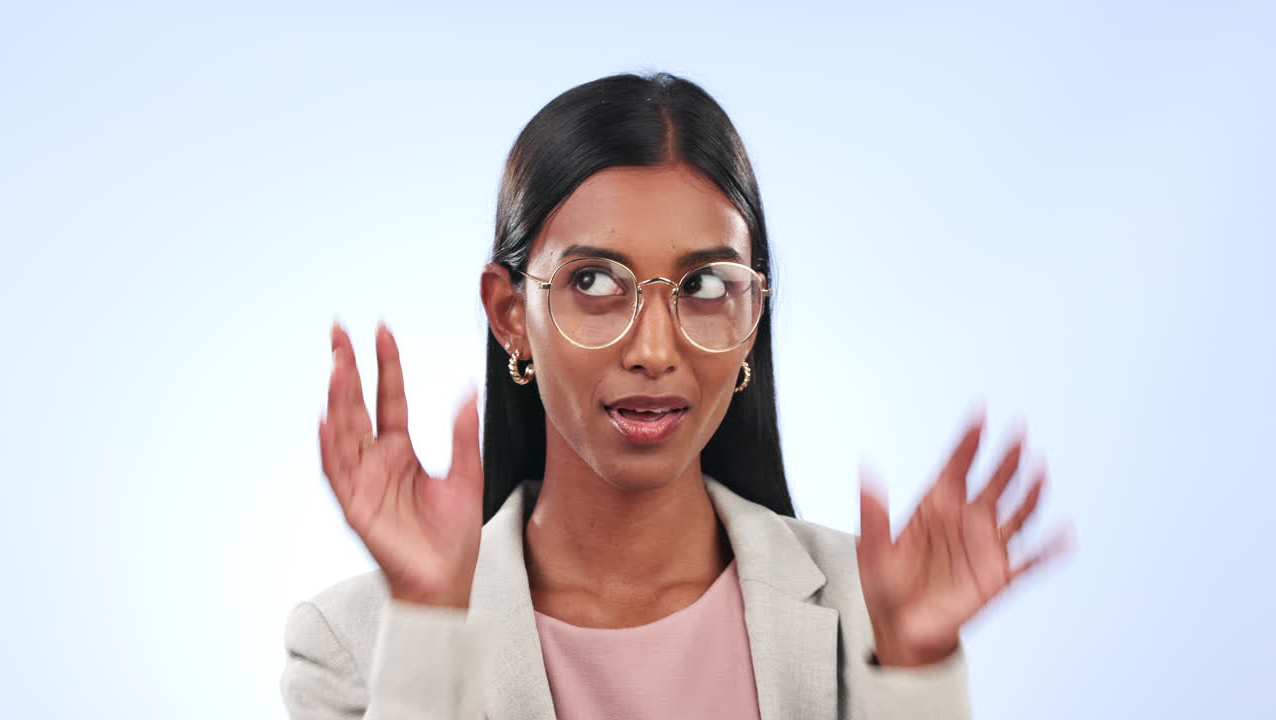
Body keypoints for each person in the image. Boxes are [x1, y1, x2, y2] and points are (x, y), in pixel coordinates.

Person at [280, 72, 1070, 720]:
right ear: (510, 314)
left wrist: (913, 675)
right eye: (593, 282)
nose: (654, 350)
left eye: (702, 285)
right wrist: (426, 622)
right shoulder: (355, 641)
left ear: (754, 314)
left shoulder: (870, 613)